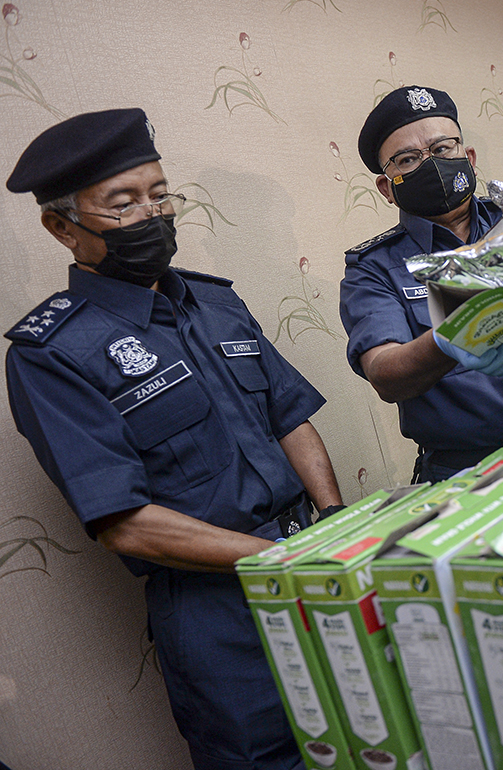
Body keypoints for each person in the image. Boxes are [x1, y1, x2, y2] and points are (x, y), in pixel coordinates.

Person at [4, 108, 345, 769]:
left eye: (159, 194)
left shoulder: (216, 303)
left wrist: (330, 522)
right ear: (62, 227)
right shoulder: (54, 353)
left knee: (372, 734)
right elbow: (125, 523)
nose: (152, 216)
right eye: (123, 204)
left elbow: (290, 419)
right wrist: (278, 566)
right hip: (218, 611)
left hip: (310, 560)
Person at [341, 86, 503, 481]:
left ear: (468, 158)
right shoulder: (373, 269)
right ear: (387, 188)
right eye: (407, 159)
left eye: (442, 150)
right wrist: (451, 338)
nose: (430, 164)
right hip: (473, 471)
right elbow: (384, 373)